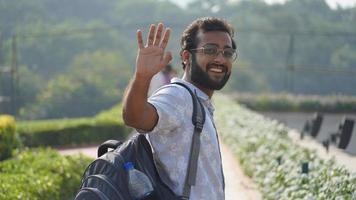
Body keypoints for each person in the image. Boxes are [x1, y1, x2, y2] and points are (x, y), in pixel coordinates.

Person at [122, 17, 237, 200]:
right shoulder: (178, 97)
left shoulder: (200, 102)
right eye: (210, 50)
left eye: (227, 52)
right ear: (186, 57)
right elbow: (135, 118)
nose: (220, 59)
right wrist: (142, 77)